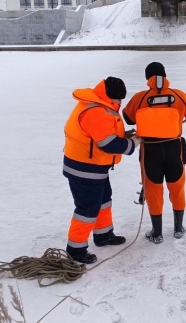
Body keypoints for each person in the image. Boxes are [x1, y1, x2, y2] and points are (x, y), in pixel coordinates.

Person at [63, 76, 142, 264]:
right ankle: (76, 249)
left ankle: (103, 235)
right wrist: (134, 143)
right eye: (118, 99)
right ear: (109, 96)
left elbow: (104, 133)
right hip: (84, 169)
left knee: (104, 201)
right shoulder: (96, 111)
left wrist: (125, 135)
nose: (120, 103)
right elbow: (108, 143)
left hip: (95, 167)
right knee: (87, 208)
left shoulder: (99, 105)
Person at [122, 62, 186, 244]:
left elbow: (128, 117)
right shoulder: (178, 95)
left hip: (150, 150)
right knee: (177, 188)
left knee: (153, 190)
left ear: (147, 78)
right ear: (165, 76)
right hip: (174, 148)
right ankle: (178, 228)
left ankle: (156, 233)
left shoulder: (140, 97)